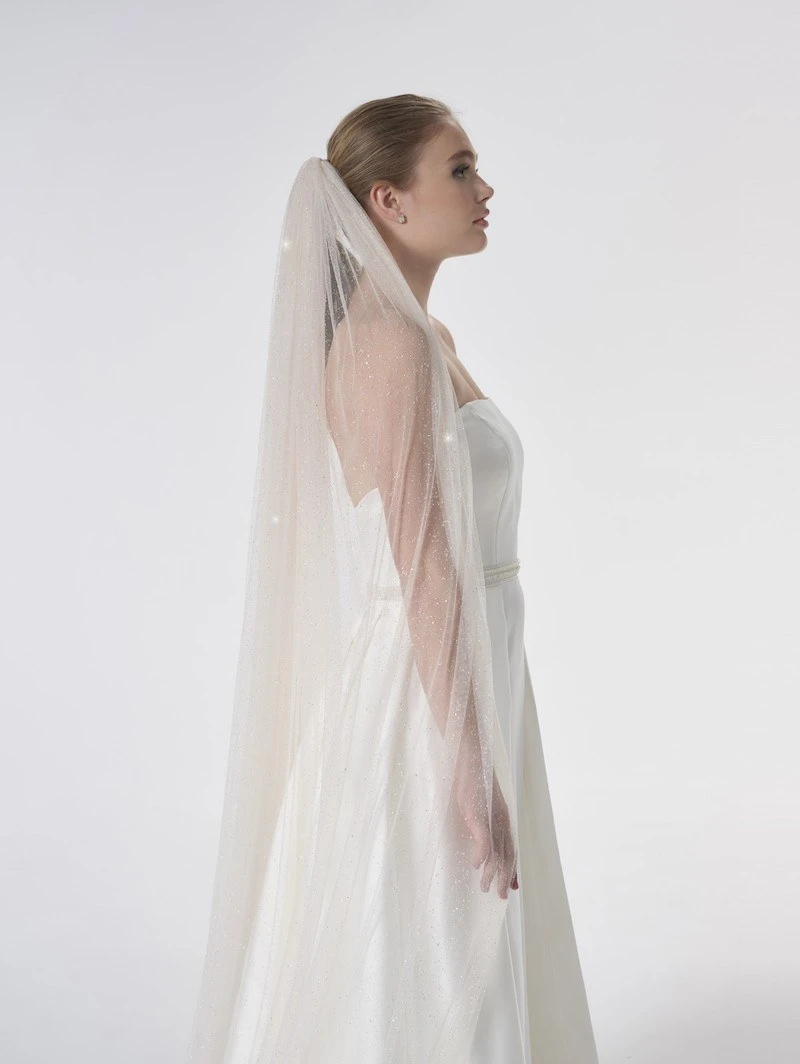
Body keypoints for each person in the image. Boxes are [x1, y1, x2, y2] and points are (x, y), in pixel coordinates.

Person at [183, 93, 599, 1064]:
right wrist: (468, 769)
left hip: (475, 666)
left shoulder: (427, 337)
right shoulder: (391, 344)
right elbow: (426, 566)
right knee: (434, 935)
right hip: (424, 693)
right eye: (459, 168)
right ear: (387, 200)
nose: (484, 188)